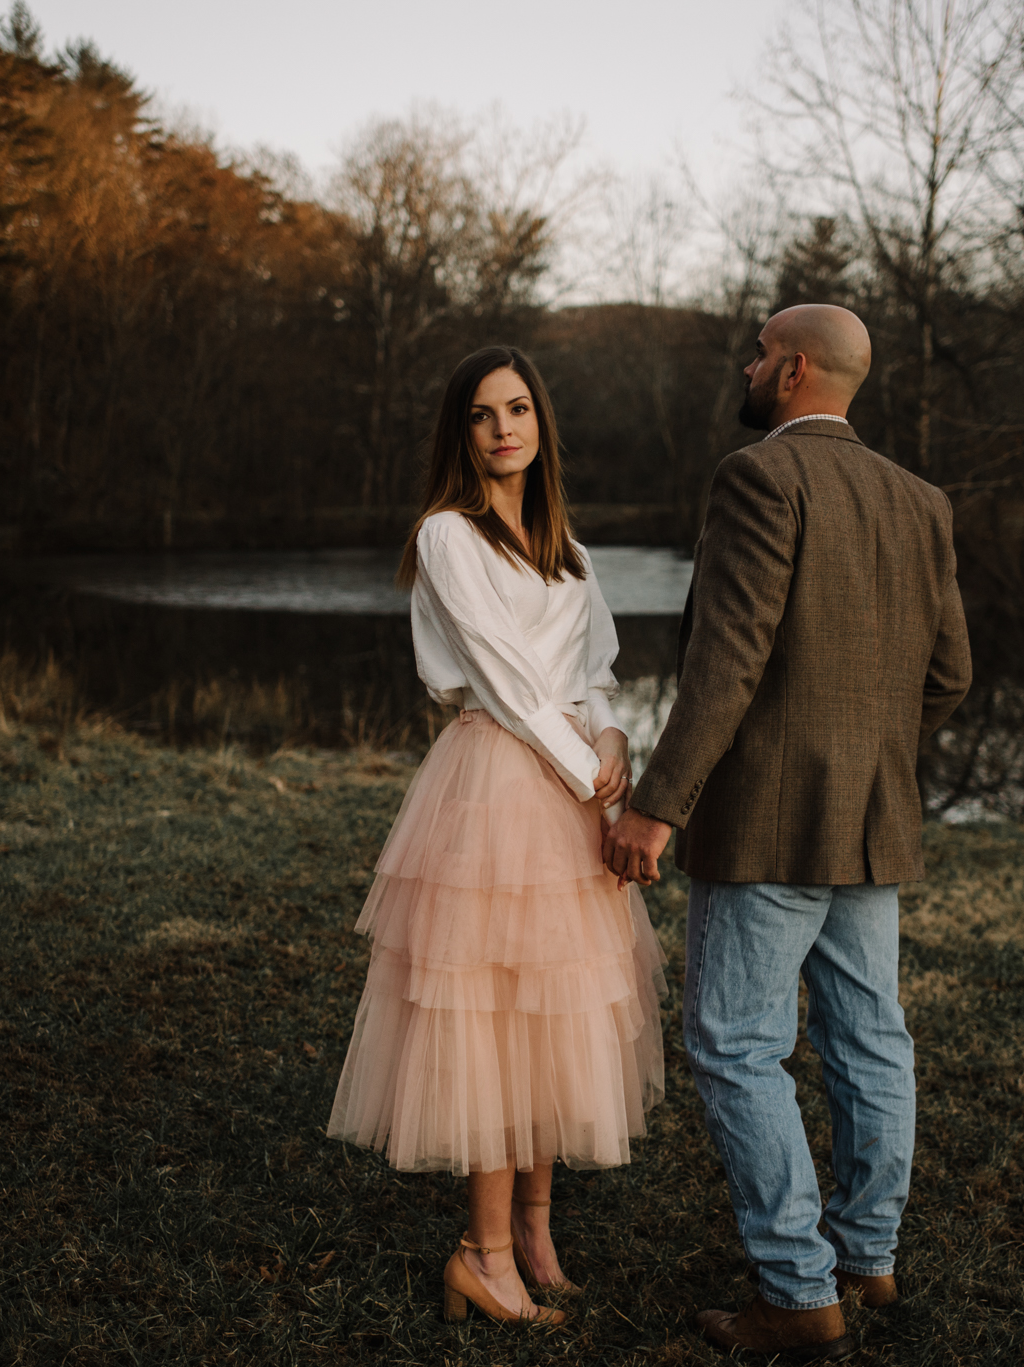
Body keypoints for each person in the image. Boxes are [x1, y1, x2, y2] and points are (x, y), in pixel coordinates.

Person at [603, 305, 972, 1361]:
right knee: (868, 1035)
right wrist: (865, 754)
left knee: (733, 1043)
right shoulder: (919, 499)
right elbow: (949, 675)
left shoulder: (758, 477)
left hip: (765, 821)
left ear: (794, 368)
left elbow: (727, 662)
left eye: (758, 351)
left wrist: (658, 800)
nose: (749, 364)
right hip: (871, 817)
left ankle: (797, 1289)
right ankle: (868, 1256)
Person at [327, 345, 667, 1329]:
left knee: (556, 1009)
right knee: (491, 1015)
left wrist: (610, 733)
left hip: (567, 785)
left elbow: (591, 665)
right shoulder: (445, 533)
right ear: (459, 430)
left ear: (539, 422)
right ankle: (478, 1253)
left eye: (517, 408)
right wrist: (582, 771)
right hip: (497, 783)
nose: (502, 426)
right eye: (481, 413)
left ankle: (533, 1229)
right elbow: (509, 682)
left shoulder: (564, 540)